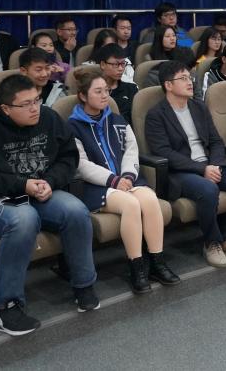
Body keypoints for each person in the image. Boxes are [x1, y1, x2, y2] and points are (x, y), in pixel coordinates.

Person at [0, 74, 98, 335]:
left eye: (37, 100)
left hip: (41, 192)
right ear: (5, 108)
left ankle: (83, 285)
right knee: (24, 219)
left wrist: (51, 182)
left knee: (76, 210)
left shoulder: (49, 118)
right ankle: (5, 307)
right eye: (26, 104)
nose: (35, 108)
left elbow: (68, 157)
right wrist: (21, 185)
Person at [68, 68, 179, 294]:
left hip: (126, 179)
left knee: (149, 199)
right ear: (82, 96)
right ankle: (136, 267)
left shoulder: (117, 119)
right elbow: (81, 165)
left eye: (106, 91)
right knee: (131, 204)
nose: (104, 96)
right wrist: (113, 180)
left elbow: (131, 150)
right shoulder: (72, 127)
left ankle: (156, 261)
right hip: (96, 186)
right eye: (98, 91)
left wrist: (127, 175)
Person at [145, 61, 226, 268]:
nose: (190, 82)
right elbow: (164, 152)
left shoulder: (198, 107)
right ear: (168, 85)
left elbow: (216, 141)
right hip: (181, 172)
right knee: (208, 189)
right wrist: (202, 169)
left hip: (210, 164)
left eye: (190, 77)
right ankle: (211, 243)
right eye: (183, 78)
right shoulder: (156, 115)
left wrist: (215, 164)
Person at [94, 44, 138, 121]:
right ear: (103, 65)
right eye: (115, 64)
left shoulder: (131, 89)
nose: (120, 69)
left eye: (123, 64)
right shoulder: (94, 91)